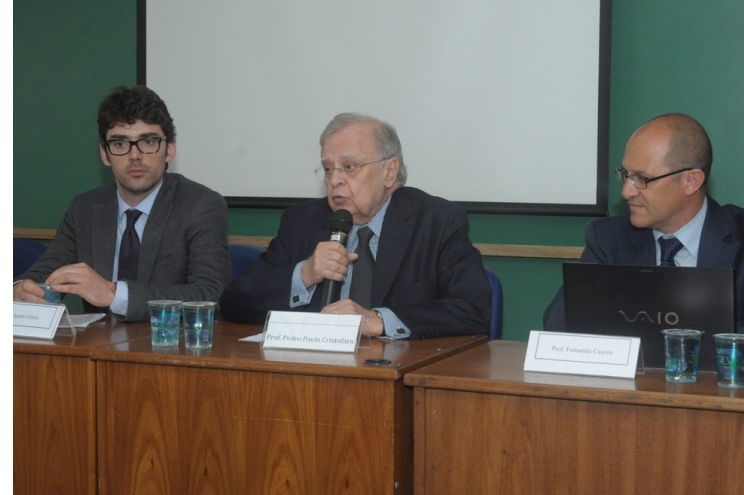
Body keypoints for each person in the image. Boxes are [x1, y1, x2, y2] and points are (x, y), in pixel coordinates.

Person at [220, 112, 492, 339]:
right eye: (327, 169)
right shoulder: (302, 221)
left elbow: (473, 310)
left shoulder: (437, 221)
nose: (334, 180)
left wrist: (378, 320)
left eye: (349, 167)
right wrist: (304, 274)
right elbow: (234, 303)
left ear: (389, 171)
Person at [543, 113, 744, 362]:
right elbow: (561, 322)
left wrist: (682, 342)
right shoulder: (607, 238)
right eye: (625, 175)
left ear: (691, 181)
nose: (627, 191)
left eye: (641, 179)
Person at [13, 85, 231, 321]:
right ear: (105, 155)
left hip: (169, 347)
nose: (134, 155)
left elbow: (210, 294)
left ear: (169, 150)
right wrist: (21, 290)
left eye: (148, 142)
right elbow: (44, 273)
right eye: (120, 144)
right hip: (95, 349)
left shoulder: (200, 205)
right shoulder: (85, 208)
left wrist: (113, 294)